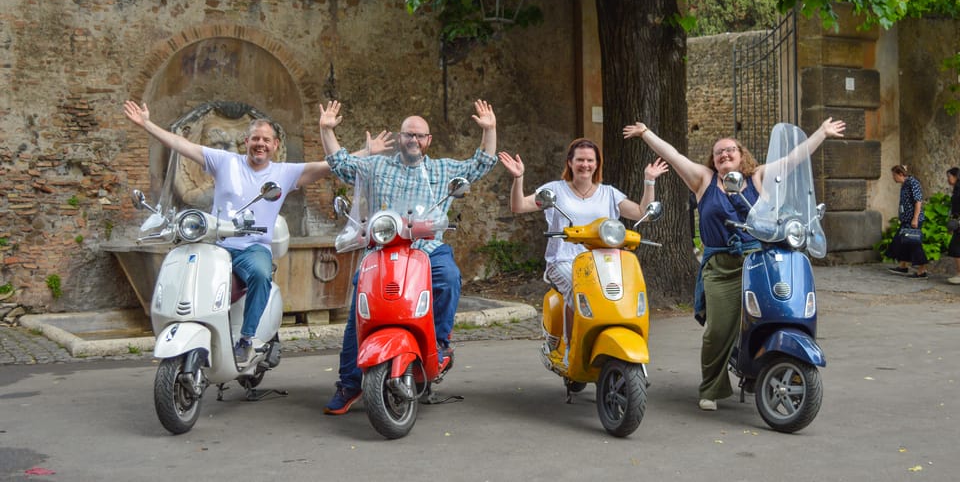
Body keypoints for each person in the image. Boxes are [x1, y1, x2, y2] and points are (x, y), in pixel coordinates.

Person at [123, 100, 392, 364]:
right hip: (216, 245)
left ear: (275, 145)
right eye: (255, 139)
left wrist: (366, 152)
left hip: (252, 247)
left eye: (266, 139)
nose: (260, 144)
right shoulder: (224, 161)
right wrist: (147, 124)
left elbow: (327, 166)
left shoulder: (284, 173)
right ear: (246, 142)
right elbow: (182, 145)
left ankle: (247, 340)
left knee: (262, 274)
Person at [622, 117, 845, 411]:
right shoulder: (703, 179)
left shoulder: (758, 177)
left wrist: (822, 132)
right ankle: (711, 388)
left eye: (730, 151)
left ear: (742, 156)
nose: (724, 155)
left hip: (757, 260)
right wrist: (646, 133)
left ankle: (761, 369)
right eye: (719, 153)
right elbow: (674, 155)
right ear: (713, 160)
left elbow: (793, 160)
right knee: (719, 329)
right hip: (720, 265)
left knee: (770, 315)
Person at [318, 99, 498, 415]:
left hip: (425, 249)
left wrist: (490, 129)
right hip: (381, 249)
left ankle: (439, 345)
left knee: (448, 277)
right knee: (360, 305)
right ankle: (349, 383)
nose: (413, 140)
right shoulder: (376, 166)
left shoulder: (441, 169)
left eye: (419, 136)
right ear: (400, 138)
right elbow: (340, 163)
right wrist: (326, 130)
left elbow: (480, 164)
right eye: (408, 135)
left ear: (428, 141)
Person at [497, 140, 669, 362]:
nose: (585, 165)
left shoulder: (609, 193)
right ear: (570, 162)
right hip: (564, 260)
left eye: (590, 160)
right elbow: (519, 206)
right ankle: (571, 347)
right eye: (580, 160)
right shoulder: (555, 190)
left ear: (597, 164)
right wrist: (518, 177)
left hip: (605, 261)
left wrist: (649, 181)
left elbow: (640, 213)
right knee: (579, 292)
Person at [886, 164, 929, 279]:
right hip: (906, 220)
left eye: (894, 175)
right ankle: (903, 266)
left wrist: (915, 218)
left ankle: (922, 270)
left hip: (913, 220)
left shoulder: (912, 182)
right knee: (901, 242)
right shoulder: (905, 184)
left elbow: (918, 201)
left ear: (900, 174)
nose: (893, 178)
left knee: (914, 244)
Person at [946, 167, 960, 285]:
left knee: (955, 248)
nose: (948, 180)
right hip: (957, 223)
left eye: (949, 177)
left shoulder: (959, 189)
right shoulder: (957, 189)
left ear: (956, 176)